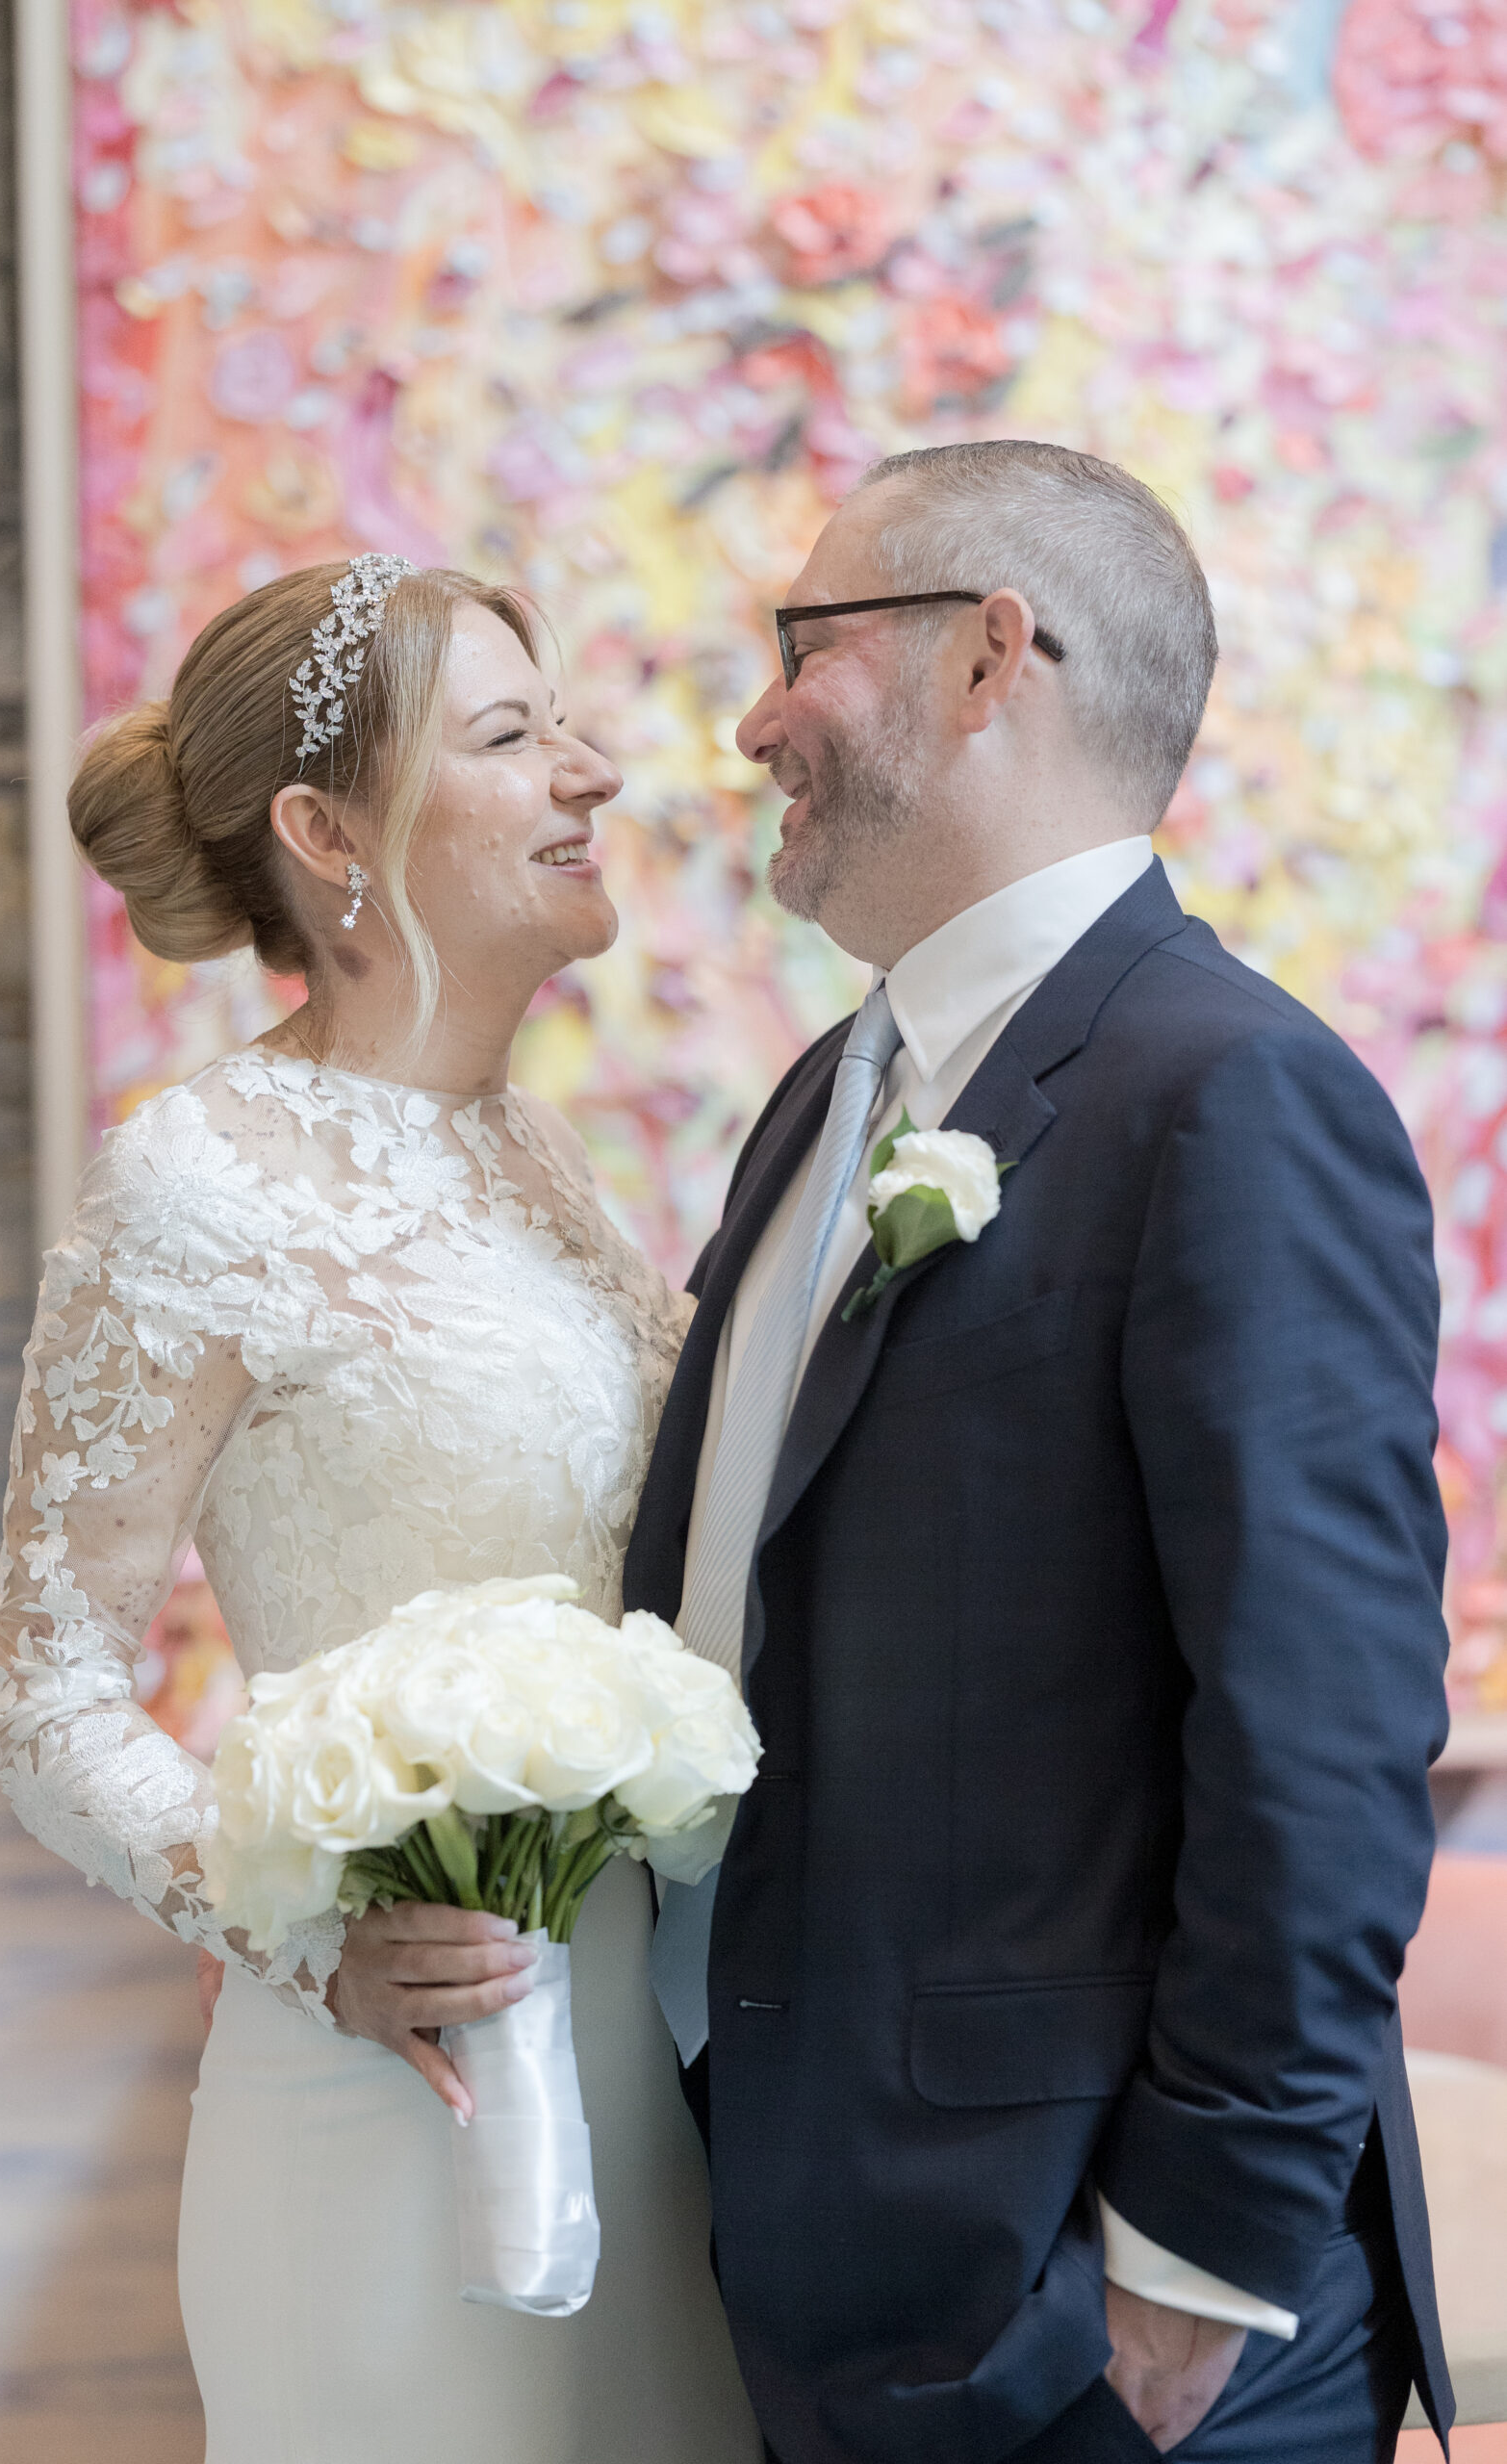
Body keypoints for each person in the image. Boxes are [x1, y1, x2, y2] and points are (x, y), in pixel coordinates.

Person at [624, 442, 1455, 2463]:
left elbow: (1324, 1735)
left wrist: (1179, 2276)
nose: (750, 722)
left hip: (1098, 2313)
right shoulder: (833, 1089)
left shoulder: (1229, 1093)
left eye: (800, 643)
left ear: (990, 656)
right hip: (822, 2241)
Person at [0, 557, 762, 2464]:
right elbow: (45, 1686)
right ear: (327, 833)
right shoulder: (199, 1181)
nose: (591, 773)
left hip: (648, 2091)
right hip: (383, 2091)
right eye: (510, 735)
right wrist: (302, 1931)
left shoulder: (541, 1155)